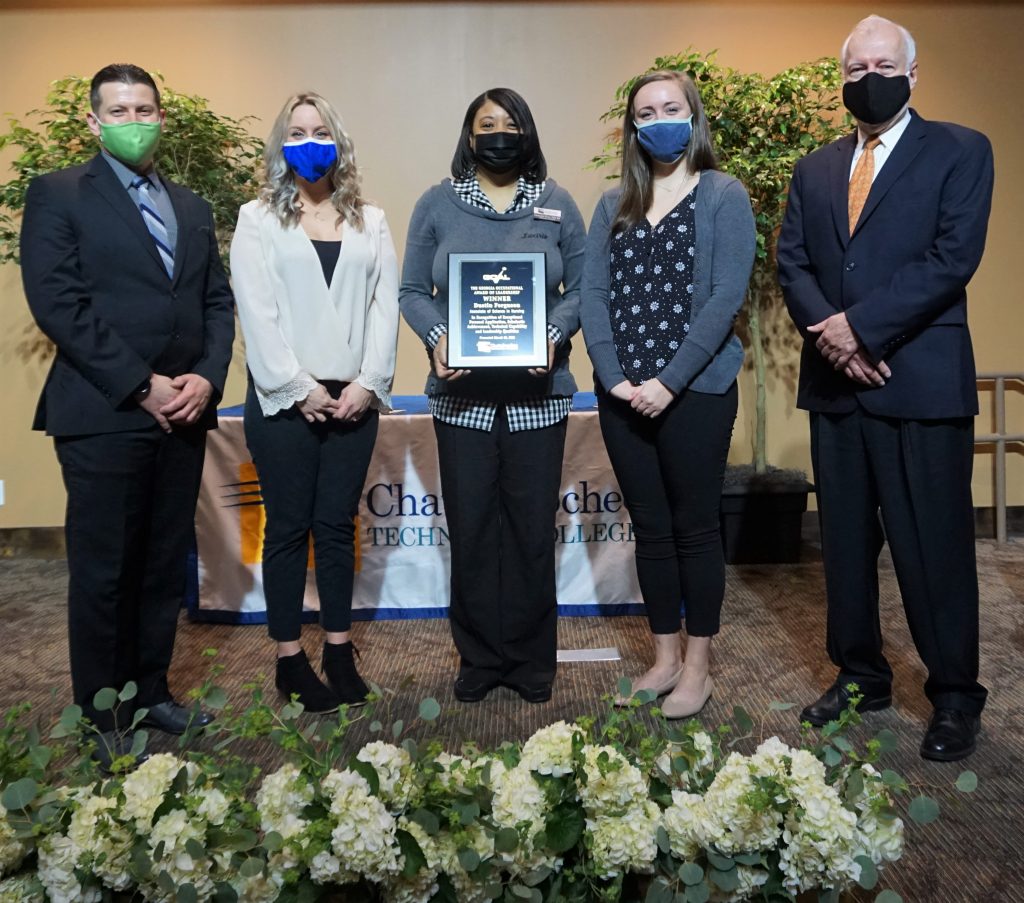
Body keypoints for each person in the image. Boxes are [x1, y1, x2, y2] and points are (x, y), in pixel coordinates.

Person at [777, 16, 993, 761]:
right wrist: (833, 338)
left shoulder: (961, 150)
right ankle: (860, 672)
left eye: (883, 62)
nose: (869, 75)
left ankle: (956, 695)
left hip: (919, 383)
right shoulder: (814, 168)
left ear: (912, 72)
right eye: (856, 66)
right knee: (843, 545)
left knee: (933, 548)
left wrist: (859, 330)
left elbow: (951, 258)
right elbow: (793, 265)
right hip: (837, 391)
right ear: (841, 80)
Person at [20, 64, 235, 762]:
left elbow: (215, 303)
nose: (133, 119)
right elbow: (59, 303)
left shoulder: (193, 205)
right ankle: (102, 710)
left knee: (160, 564)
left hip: (185, 413)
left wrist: (205, 378)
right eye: (119, 109)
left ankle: (151, 689)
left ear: (162, 117)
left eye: (144, 107)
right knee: (106, 568)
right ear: (94, 121)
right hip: (104, 411)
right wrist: (143, 385)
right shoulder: (58, 195)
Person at [400, 88, 586, 704]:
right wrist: (438, 337)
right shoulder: (437, 204)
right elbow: (412, 291)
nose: (499, 133)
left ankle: (532, 661)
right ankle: (479, 658)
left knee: (532, 531)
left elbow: (583, 289)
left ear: (527, 133)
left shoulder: (558, 204)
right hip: (463, 402)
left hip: (539, 400)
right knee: (474, 528)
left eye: (510, 124)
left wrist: (555, 334)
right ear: (469, 135)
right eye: (487, 124)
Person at [581, 70, 755, 718]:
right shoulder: (612, 204)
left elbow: (724, 299)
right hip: (622, 394)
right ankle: (663, 658)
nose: (659, 119)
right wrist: (614, 375)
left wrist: (667, 381)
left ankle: (699, 666)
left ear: (693, 116)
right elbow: (593, 294)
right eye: (646, 111)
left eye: (670, 108)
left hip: (696, 392)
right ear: (632, 127)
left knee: (694, 528)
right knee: (649, 530)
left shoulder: (723, 196)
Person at [230, 93, 399, 713]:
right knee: (287, 529)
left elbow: (386, 309)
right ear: (281, 145)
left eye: (320, 130)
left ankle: (336, 648)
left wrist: (368, 383)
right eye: (296, 132)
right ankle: (288, 659)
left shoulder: (370, 221)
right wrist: (297, 387)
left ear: (339, 142)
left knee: (336, 528)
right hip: (283, 402)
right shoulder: (257, 219)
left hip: (354, 397)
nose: (308, 141)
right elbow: (258, 312)